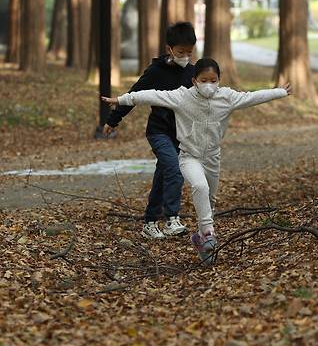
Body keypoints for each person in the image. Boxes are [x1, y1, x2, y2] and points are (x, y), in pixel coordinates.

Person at [102, 59, 292, 263]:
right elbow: (151, 95)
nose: (209, 85)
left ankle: (201, 239)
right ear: (194, 80)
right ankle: (209, 233)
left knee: (209, 201)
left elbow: (253, 97)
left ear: (219, 80)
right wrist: (121, 100)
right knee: (199, 187)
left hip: (212, 157)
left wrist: (279, 92)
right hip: (189, 156)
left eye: (213, 80)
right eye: (204, 80)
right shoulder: (182, 97)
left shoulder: (226, 97)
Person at [103, 22, 196, 240]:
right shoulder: (156, 71)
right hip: (159, 131)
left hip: (181, 134)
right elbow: (134, 95)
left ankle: (150, 222)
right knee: (174, 168)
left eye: (189, 52)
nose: (185, 56)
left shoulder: (193, 72)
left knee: (163, 174)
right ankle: (172, 218)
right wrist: (112, 120)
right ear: (169, 49)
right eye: (181, 52)